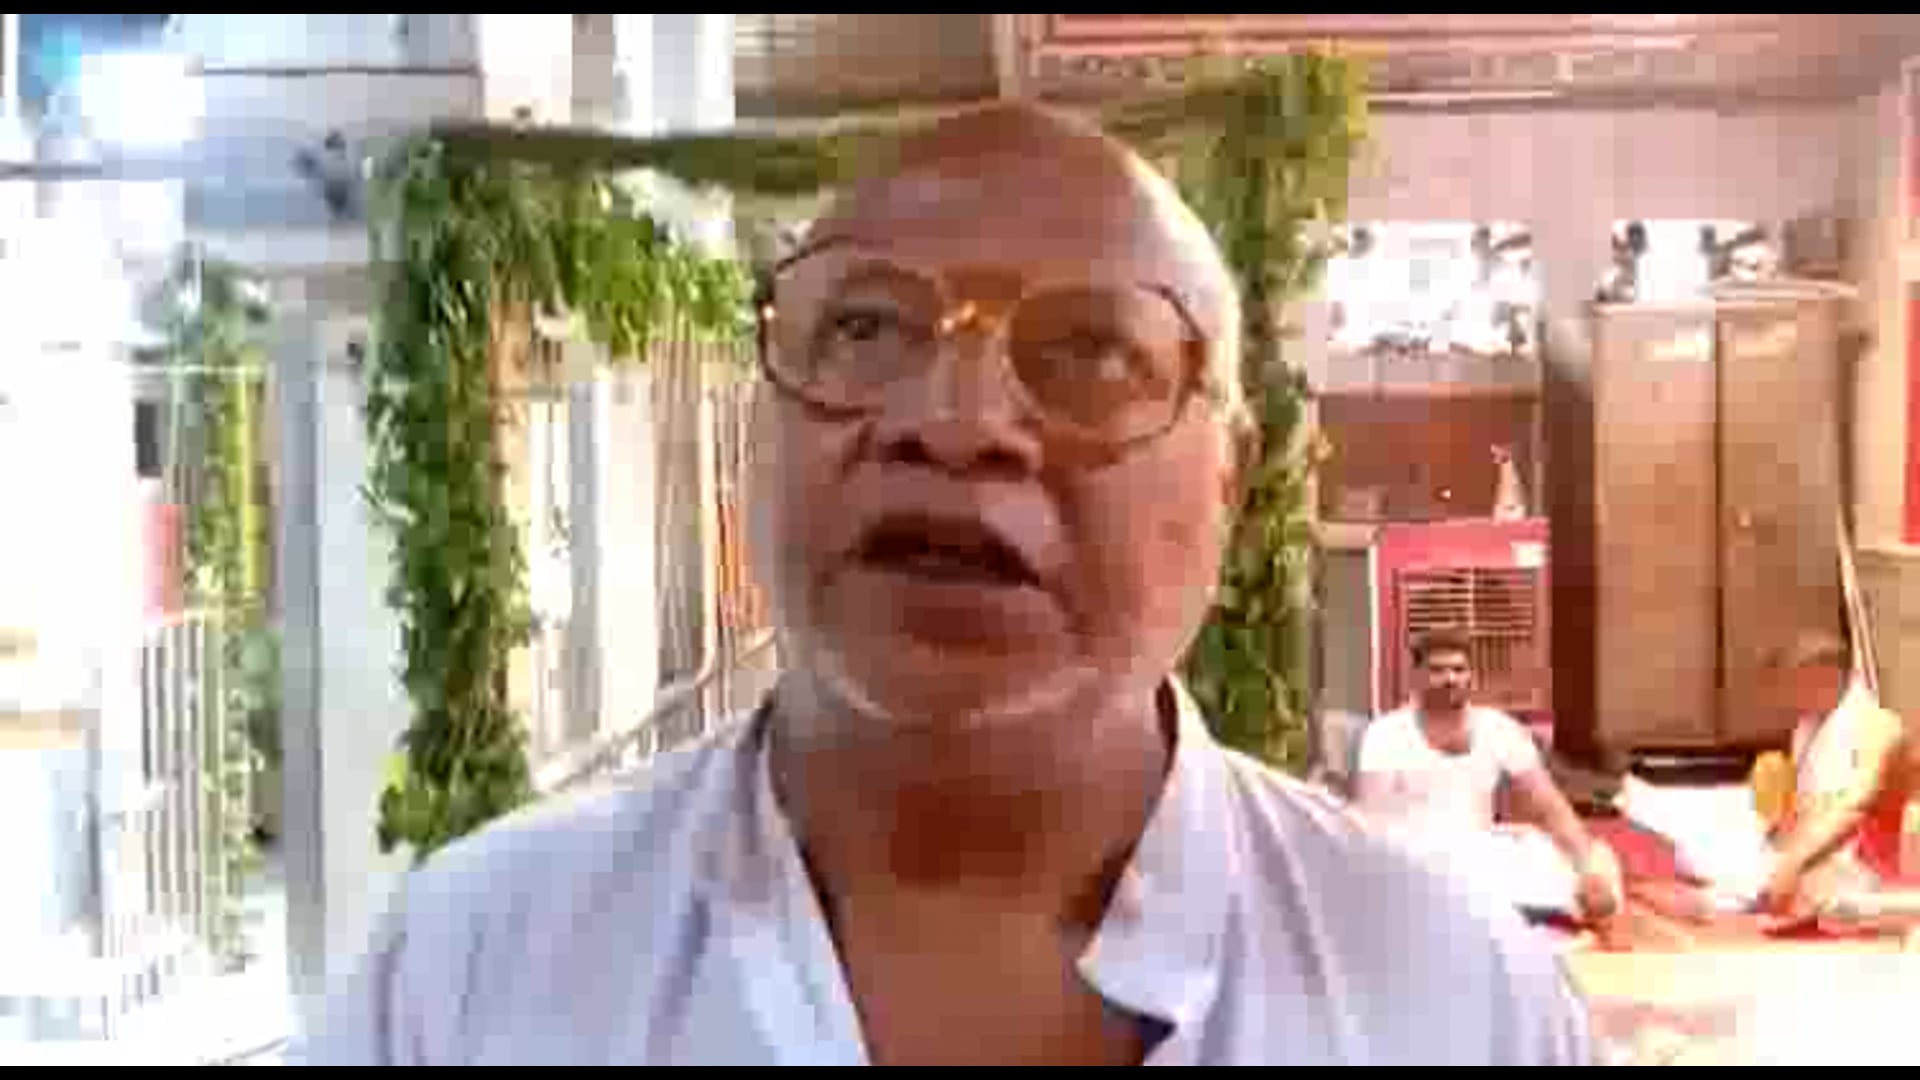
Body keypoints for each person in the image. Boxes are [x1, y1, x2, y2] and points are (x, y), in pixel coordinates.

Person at [298, 103, 1595, 1065]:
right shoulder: (475, 970)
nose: (956, 422)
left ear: (1231, 480)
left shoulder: (1454, 1002)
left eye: (1093, 350)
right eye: (865, 328)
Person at [1354, 628, 1621, 927]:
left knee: (1593, 860)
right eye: (1437, 670)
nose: (1450, 678)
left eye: (1459, 670)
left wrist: (1587, 871)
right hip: (1415, 862)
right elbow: (1372, 822)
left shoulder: (1498, 728)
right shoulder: (1386, 734)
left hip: (1481, 852)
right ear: (1415, 676)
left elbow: (1550, 806)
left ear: (1471, 676)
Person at [1752, 631, 1916, 918]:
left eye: (1788, 686)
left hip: (1867, 882)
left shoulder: (1878, 726)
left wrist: (1794, 864)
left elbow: (1854, 808)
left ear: (1821, 676)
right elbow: (1804, 809)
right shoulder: (1806, 729)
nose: (1782, 699)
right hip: (1814, 868)